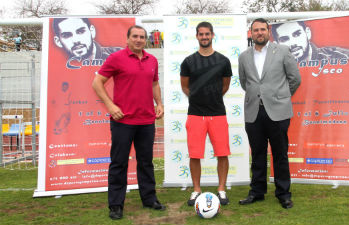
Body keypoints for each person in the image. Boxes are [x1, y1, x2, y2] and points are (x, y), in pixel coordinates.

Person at [92, 25, 165, 220]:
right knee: (119, 163)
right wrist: (110, 106)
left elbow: (155, 83)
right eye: (135, 36)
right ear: (127, 39)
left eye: (142, 37)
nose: (139, 40)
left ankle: (149, 199)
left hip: (147, 120)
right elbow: (97, 83)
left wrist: (159, 103)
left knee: (146, 163)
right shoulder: (116, 58)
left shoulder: (152, 60)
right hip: (123, 121)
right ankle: (116, 205)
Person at [238, 18, 301, 209]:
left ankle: (283, 193)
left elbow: (295, 79)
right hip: (254, 112)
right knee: (257, 154)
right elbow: (244, 83)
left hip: (278, 113)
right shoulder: (244, 56)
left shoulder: (282, 51)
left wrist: (280, 97)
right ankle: (257, 192)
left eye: (262, 29)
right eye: (255, 30)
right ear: (251, 33)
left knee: (280, 154)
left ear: (269, 30)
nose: (259, 33)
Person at [180, 21, 232, 206]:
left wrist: (212, 98)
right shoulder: (188, 61)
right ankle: (196, 190)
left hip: (218, 114)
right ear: (197, 36)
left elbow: (225, 86)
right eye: (201, 34)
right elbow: (185, 86)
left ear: (212, 35)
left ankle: (221, 189)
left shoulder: (224, 61)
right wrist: (197, 98)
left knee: (222, 153)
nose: (204, 37)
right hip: (195, 115)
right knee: (195, 155)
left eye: (207, 34)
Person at [271, 21, 349, 62]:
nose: (293, 43)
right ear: (276, 45)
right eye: (284, 39)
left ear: (307, 33)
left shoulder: (340, 56)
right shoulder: (275, 66)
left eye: (297, 34)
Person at [53, 18, 121, 60]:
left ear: (92, 31)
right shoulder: (56, 66)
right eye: (67, 35)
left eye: (81, 31)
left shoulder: (120, 55)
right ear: (58, 41)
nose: (76, 40)